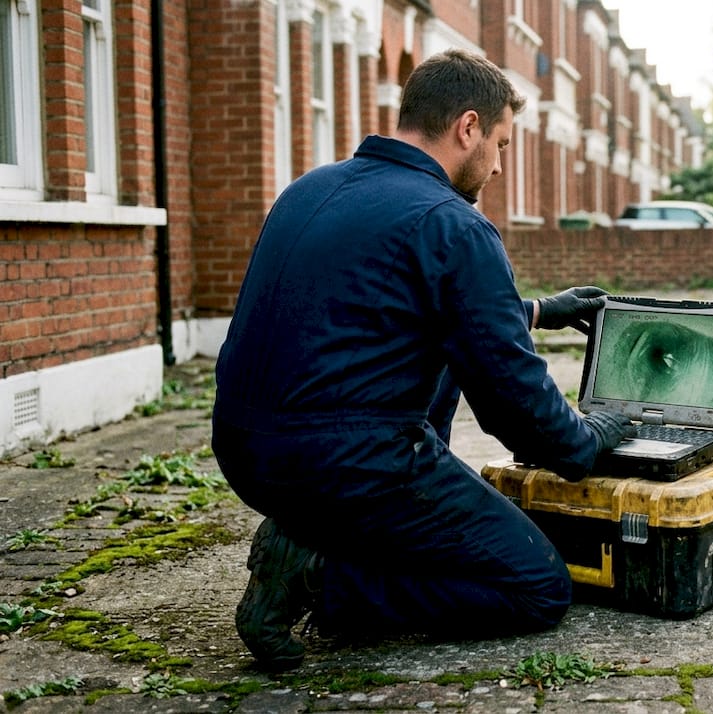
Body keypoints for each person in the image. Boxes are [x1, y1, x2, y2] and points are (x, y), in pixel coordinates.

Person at [211, 49, 635, 671]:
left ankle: (316, 534)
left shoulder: (311, 187)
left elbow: (389, 308)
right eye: (499, 143)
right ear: (468, 128)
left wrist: (540, 310)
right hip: (344, 467)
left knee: (445, 345)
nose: (496, 166)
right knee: (538, 586)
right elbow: (516, 409)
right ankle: (323, 577)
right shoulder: (452, 223)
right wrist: (588, 440)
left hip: (248, 453)